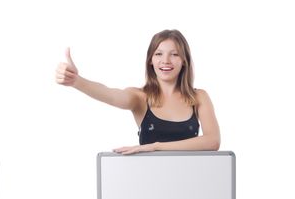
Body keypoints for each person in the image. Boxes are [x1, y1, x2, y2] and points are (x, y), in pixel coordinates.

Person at [55, 29, 220, 154]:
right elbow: (110, 94)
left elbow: (213, 141)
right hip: (147, 184)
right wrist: (77, 81)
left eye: (174, 54)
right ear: (151, 60)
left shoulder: (199, 97)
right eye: (159, 54)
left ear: (184, 61)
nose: (165, 61)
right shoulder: (140, 97)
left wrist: (156, 147)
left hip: (191, 184)